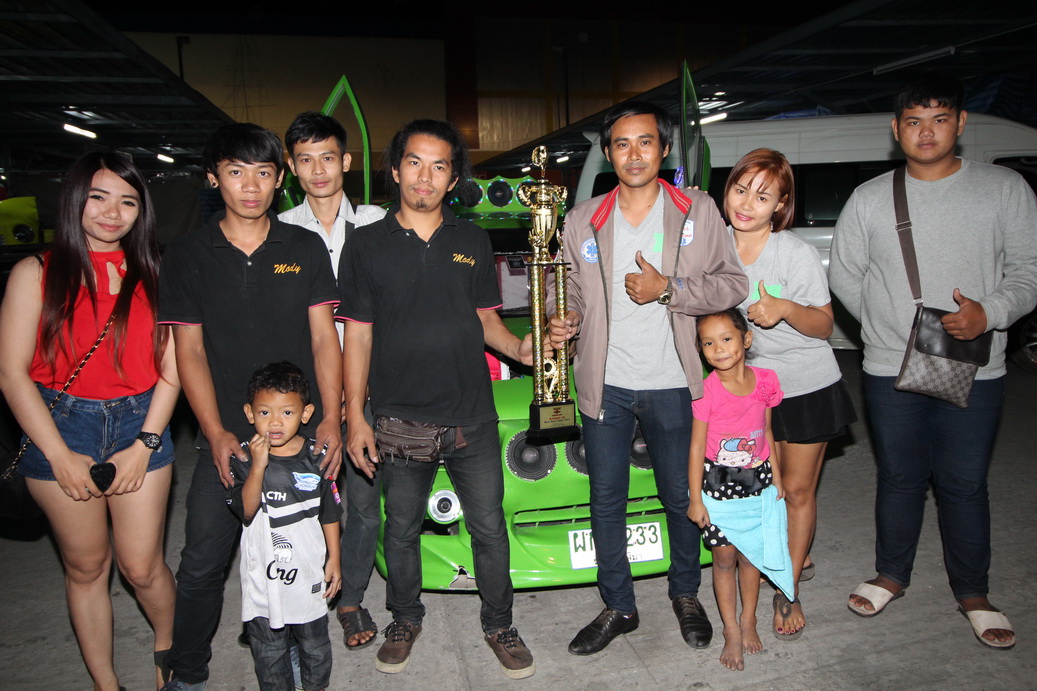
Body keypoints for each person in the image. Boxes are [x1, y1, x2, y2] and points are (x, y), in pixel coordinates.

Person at [829, 73, 1037, 650]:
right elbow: (845, 274)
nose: (927, 132)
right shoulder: (871, 197)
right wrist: (885, 329)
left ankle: (974, 592)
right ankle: (891, 574)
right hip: (889, 366)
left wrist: (990, 312)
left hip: (976, 364)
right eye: (915, 121)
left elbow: (1029, 270)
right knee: (899, 477)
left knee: (964, 484)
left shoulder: (1004, 189)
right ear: (896, 130)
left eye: (940, 119)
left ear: (960, 123)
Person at [338, 119, 537, 679]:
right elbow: (358, 334)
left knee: (489, 528)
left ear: (453, 179)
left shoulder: (471, 240)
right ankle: (405, 618)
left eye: (439, 166)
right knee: (400, 529)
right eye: (414, 163)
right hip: (400, 418)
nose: (425, 177)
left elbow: (487, 322)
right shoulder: (366, 244)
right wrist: (356, 416)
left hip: (471, 416)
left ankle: (499, 624)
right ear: (395, 170)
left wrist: (522, 349)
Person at [548, 101, 747, 655]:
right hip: (605, 383)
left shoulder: (697, 209)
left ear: (663, 149)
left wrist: (669, 291)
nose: (633, 154)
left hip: (674, 382)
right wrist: (563, 316)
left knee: (680, 495)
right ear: (608, 154)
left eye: (645, 142)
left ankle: (686, 593)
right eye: (621, 144)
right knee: (605, 498)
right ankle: (619, 605)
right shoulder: (582, 218)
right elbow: (569, 287)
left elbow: (732, 284)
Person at [158, 123, 343, 690]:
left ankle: (293, 643)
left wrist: (331, 417)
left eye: (263, 172)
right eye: (235, 172)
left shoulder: (303, 247)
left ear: (279, 178)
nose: (250, 185)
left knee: (302, 549)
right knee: (201, 563)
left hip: (299, 437)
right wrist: (214, 431)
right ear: (213, 179)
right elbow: (188, 350)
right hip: (229, 438)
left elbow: (323, 339)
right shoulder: (188, 254)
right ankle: (189, 672)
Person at [0, 152, 179, 690]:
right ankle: (106, 684)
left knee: (142, 567)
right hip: (58, 426)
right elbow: (11, 374)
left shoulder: (159, 273)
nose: (111, 212)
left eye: (127, 201)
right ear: (75, 199)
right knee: (86, 567)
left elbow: (174, 371)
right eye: (98, 197)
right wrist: (57, 455)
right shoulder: (35, 272)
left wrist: (146, 443)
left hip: (140, 421)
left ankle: (171, 660)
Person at [722, 148, 856, 638]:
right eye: (741, 190)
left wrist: (784, 308)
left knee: (796, 491)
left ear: (780, 205)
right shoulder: (714, 245)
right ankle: (789, 554)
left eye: (762, 197)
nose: (747, 204)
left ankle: (787, 587)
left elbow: (824, 325)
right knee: (762, 491)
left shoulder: (794, 252)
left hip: (804, 385)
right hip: (747, 390)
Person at [279, 111, 387, 651]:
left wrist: (355, 398)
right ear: (291, 167)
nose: (318, 170)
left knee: (364, 503)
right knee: (301, 499)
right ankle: (291, 598)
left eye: (327, 157)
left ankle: (350, 598)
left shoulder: (377, 223)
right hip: (305, 393)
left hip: (370, 385)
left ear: (345, 161)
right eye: (306, 160)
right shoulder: (280, 231)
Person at [687, 309, 792, 671]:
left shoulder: (766, 381)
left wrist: (777, 477)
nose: (718, 348)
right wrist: (696, 499)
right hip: (717, 485)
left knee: (751, 557)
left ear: (746, 339)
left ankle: (749, 619)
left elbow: (768, 431)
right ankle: (730, 629)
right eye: (708, 342)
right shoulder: (706, 391)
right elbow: (696, 448)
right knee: (724, 559)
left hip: (758, 480)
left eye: (726, 338)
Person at [229, 362, 342, 691]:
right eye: (264, 412)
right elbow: (246, 511)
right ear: (249, 413)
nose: (275, 422)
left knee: (315, 646)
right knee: (269, 652)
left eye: (287, 412)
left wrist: (334, 559)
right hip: (262, 580)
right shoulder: (244, 458)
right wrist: (258, 466)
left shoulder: (318, 457)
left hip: (307, 572)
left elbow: (330, 513)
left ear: (306, 414)